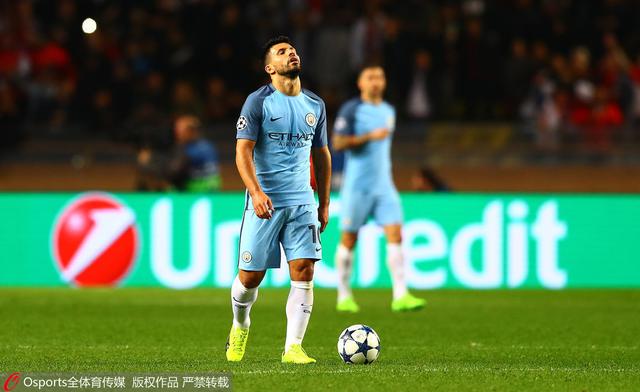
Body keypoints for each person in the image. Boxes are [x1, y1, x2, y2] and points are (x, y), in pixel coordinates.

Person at [226, 36, 331, 364]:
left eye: (293, 50)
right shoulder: (258, 102)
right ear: (270, 68)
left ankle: (293, 348)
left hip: (302, 202)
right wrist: (256, 192)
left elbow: (322, 155)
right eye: (283, 52)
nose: (292, 54)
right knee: (249, 279)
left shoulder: (315, 105)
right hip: (265, 204)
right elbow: (242, 151)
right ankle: (240, 323)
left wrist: (324, 202)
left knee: (304, 270)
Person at [332, 64, 425, 313]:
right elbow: (338, 142)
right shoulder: (352, 109)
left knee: (396, 235)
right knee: (349, 239)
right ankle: (344, 296)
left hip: (384, 186)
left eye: (380, 77)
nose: (375, 81)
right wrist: (368, 137)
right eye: (370, 77)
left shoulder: (388, 110)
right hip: (357, 187)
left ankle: (401, 295)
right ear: (360, 83)